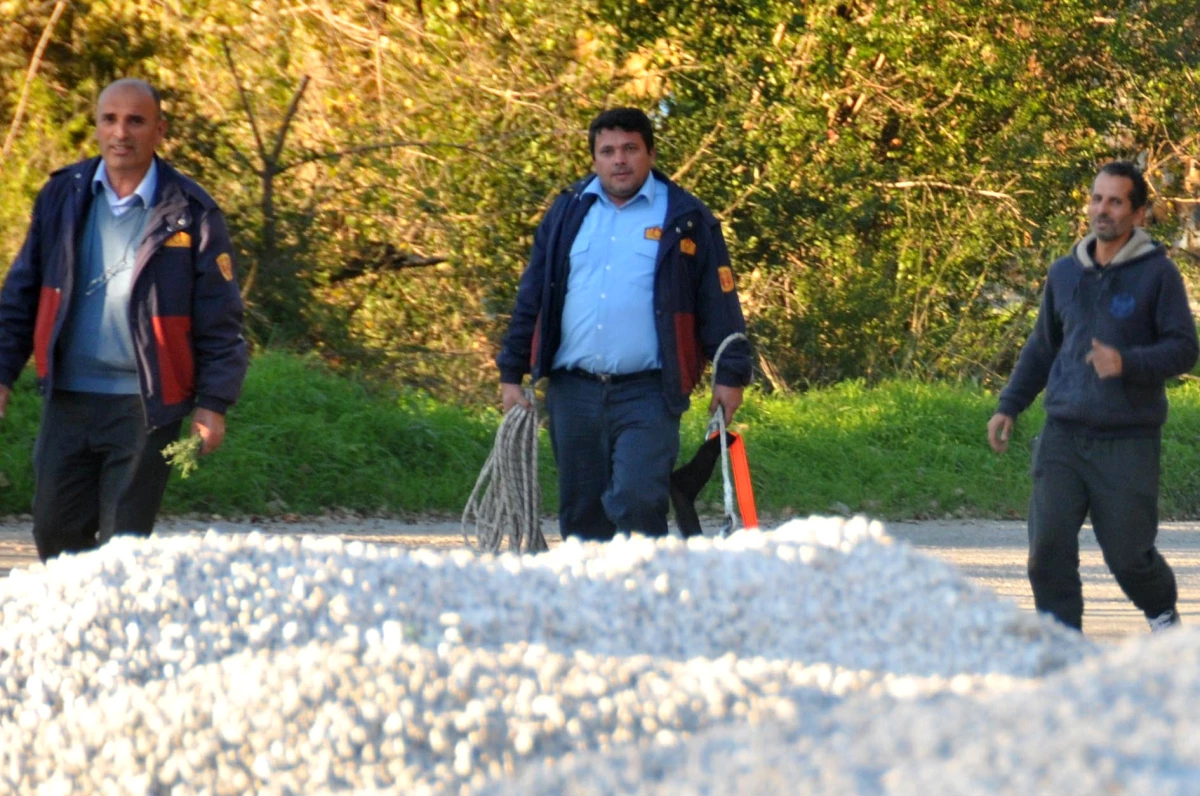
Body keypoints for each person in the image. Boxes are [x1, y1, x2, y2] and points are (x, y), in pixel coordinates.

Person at [0, 78, 248, 561]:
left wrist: (213, 403)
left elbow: (221, 317)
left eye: (135, 120)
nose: (121, 132)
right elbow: (22, 293)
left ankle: (113, 632)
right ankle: (76, 628)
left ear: (160, 129)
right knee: (54, 530)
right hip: (70, 397)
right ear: (96, 126)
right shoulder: (62, 196)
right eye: (109, 119)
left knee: (123, 546)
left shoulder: (190, 212)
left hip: (147, 404)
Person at [496, 107, 751, 541]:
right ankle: (590, 603)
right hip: (572, 390)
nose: (620, 160)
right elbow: (533, 295)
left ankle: (642, 598)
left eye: (630, 149)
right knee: (581, 514)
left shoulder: (686, 218)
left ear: (650, 153)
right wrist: (511, 371)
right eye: (608, 150)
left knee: (637, 499)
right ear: (594, 159)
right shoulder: (566, 213)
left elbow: (718, 300)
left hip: (649, 391)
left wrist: (731, 375)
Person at [987, 161, 1198, 633]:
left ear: (1139, 213)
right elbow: (1043, 347)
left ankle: (1162, 613)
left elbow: (1185, 348)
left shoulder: (1158, 275)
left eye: (1116, 201)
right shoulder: (1064, 274)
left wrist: (1128, 362)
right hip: (1063, 433)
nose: (1103, 209)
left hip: (1127, 439)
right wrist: (1009, 404)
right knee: (1046, 551)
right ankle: (1063, 646)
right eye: (1097, 198)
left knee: (1129, 557)